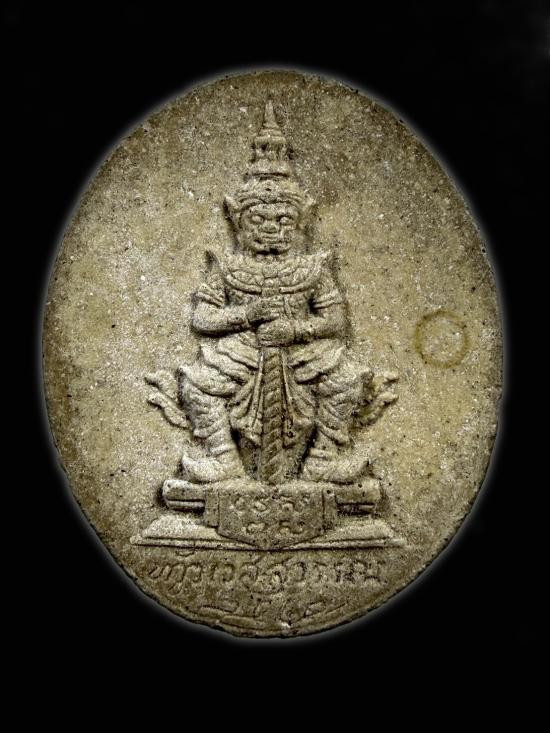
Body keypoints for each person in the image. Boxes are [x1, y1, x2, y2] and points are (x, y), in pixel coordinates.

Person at [178, 102, 369, 485]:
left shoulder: (312, 269)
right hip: (242, 351)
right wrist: (245, 317)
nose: (270, 228)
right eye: (257, 220)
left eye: (283, 220)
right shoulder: (227, 268)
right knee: (197, 384)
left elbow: (335, 321)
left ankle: (322, 459)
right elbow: (202, 318)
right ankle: (224, 459)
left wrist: (296, 331)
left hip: (300, 351)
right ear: (238, 220)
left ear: (301, 222)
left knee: (347, 380)